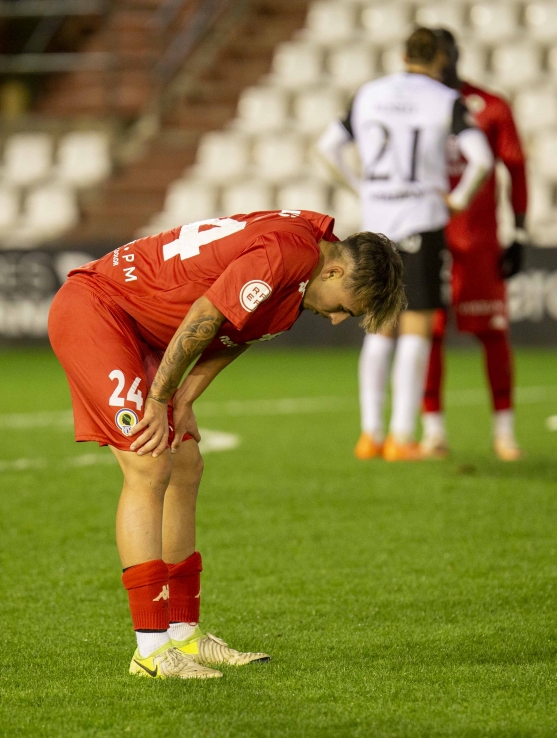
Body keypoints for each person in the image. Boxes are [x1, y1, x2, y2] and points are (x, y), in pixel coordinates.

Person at [48, 210, 405, 679]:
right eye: (347, 306)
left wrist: (182, 397)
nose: (338, 319)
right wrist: (158, 397)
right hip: (99, 308)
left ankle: (184, 635)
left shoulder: (306, 267)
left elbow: (237, 332)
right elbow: (206, 315)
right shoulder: (290, 254)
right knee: (151, 464)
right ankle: (151, 651)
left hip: (145, 329)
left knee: (187, 464)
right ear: (336, 271)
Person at [316, 27, 494, 462]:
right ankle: (401, 437)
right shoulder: (443, 98)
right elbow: (483, 159)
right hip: (421, 222)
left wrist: (362, 188)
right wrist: (458, 199)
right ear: (440, 59)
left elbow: (327, 149)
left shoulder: (369, 93)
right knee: (416, 327)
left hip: (377, 223)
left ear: (402, 54)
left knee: (378, 325)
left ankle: (369, 435)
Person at [419, 29, 527, 462]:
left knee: (493, 333)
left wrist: (519, 232)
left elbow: (516, 168)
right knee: (426, 333)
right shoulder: (412, 107)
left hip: (478, 239)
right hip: (426, 234)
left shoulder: (490, 106)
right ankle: (433, 433)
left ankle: (505, 432)